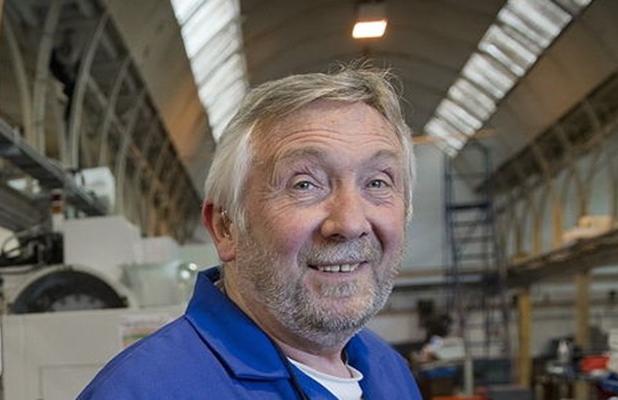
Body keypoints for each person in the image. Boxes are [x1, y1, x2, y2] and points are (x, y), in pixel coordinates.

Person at [78, 65, 423, 399]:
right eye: (304, 184)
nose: (350, 223)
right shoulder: (142, 391)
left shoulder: (390, 370)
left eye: (377, 182)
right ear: (226, 227)